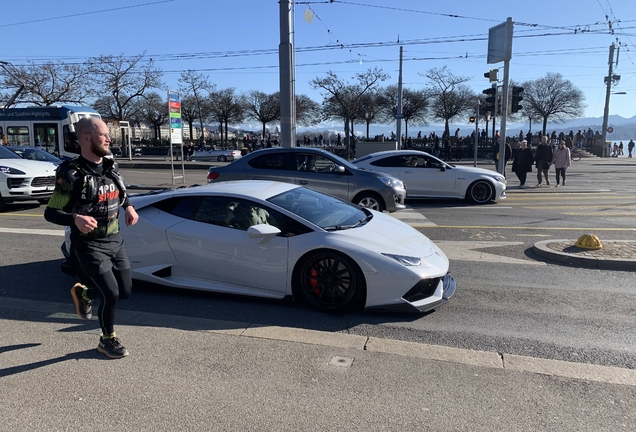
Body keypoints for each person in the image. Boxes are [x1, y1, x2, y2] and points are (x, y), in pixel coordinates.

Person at [44, 117, 139, 359]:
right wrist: (74, 218)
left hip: (115, 240)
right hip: (88, 245)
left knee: (125, 291)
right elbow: (51, 212)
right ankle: (107, 339)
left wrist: (128, 207)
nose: (109, 139)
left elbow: (122, 194)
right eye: (103, 135)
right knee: (111, 294)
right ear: (86, 138)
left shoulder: (111, 165)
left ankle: (84, 294)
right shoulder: (71, 173)